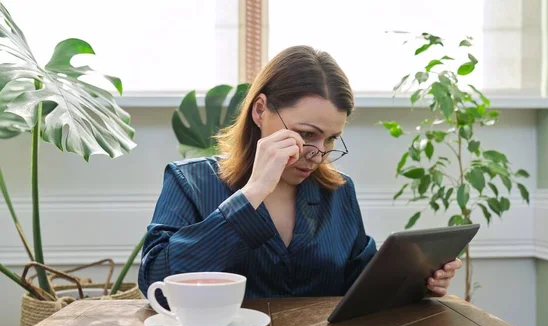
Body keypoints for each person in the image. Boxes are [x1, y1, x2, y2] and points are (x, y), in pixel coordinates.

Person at [138, 45, 461, 304]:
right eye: (306, 134)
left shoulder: (338, 191)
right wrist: (253, 194)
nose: (318, 154)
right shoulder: (190, 182)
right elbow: (156, 281)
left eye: (331, 138)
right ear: (260, 110)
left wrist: (419, 284)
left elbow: (361, 283)